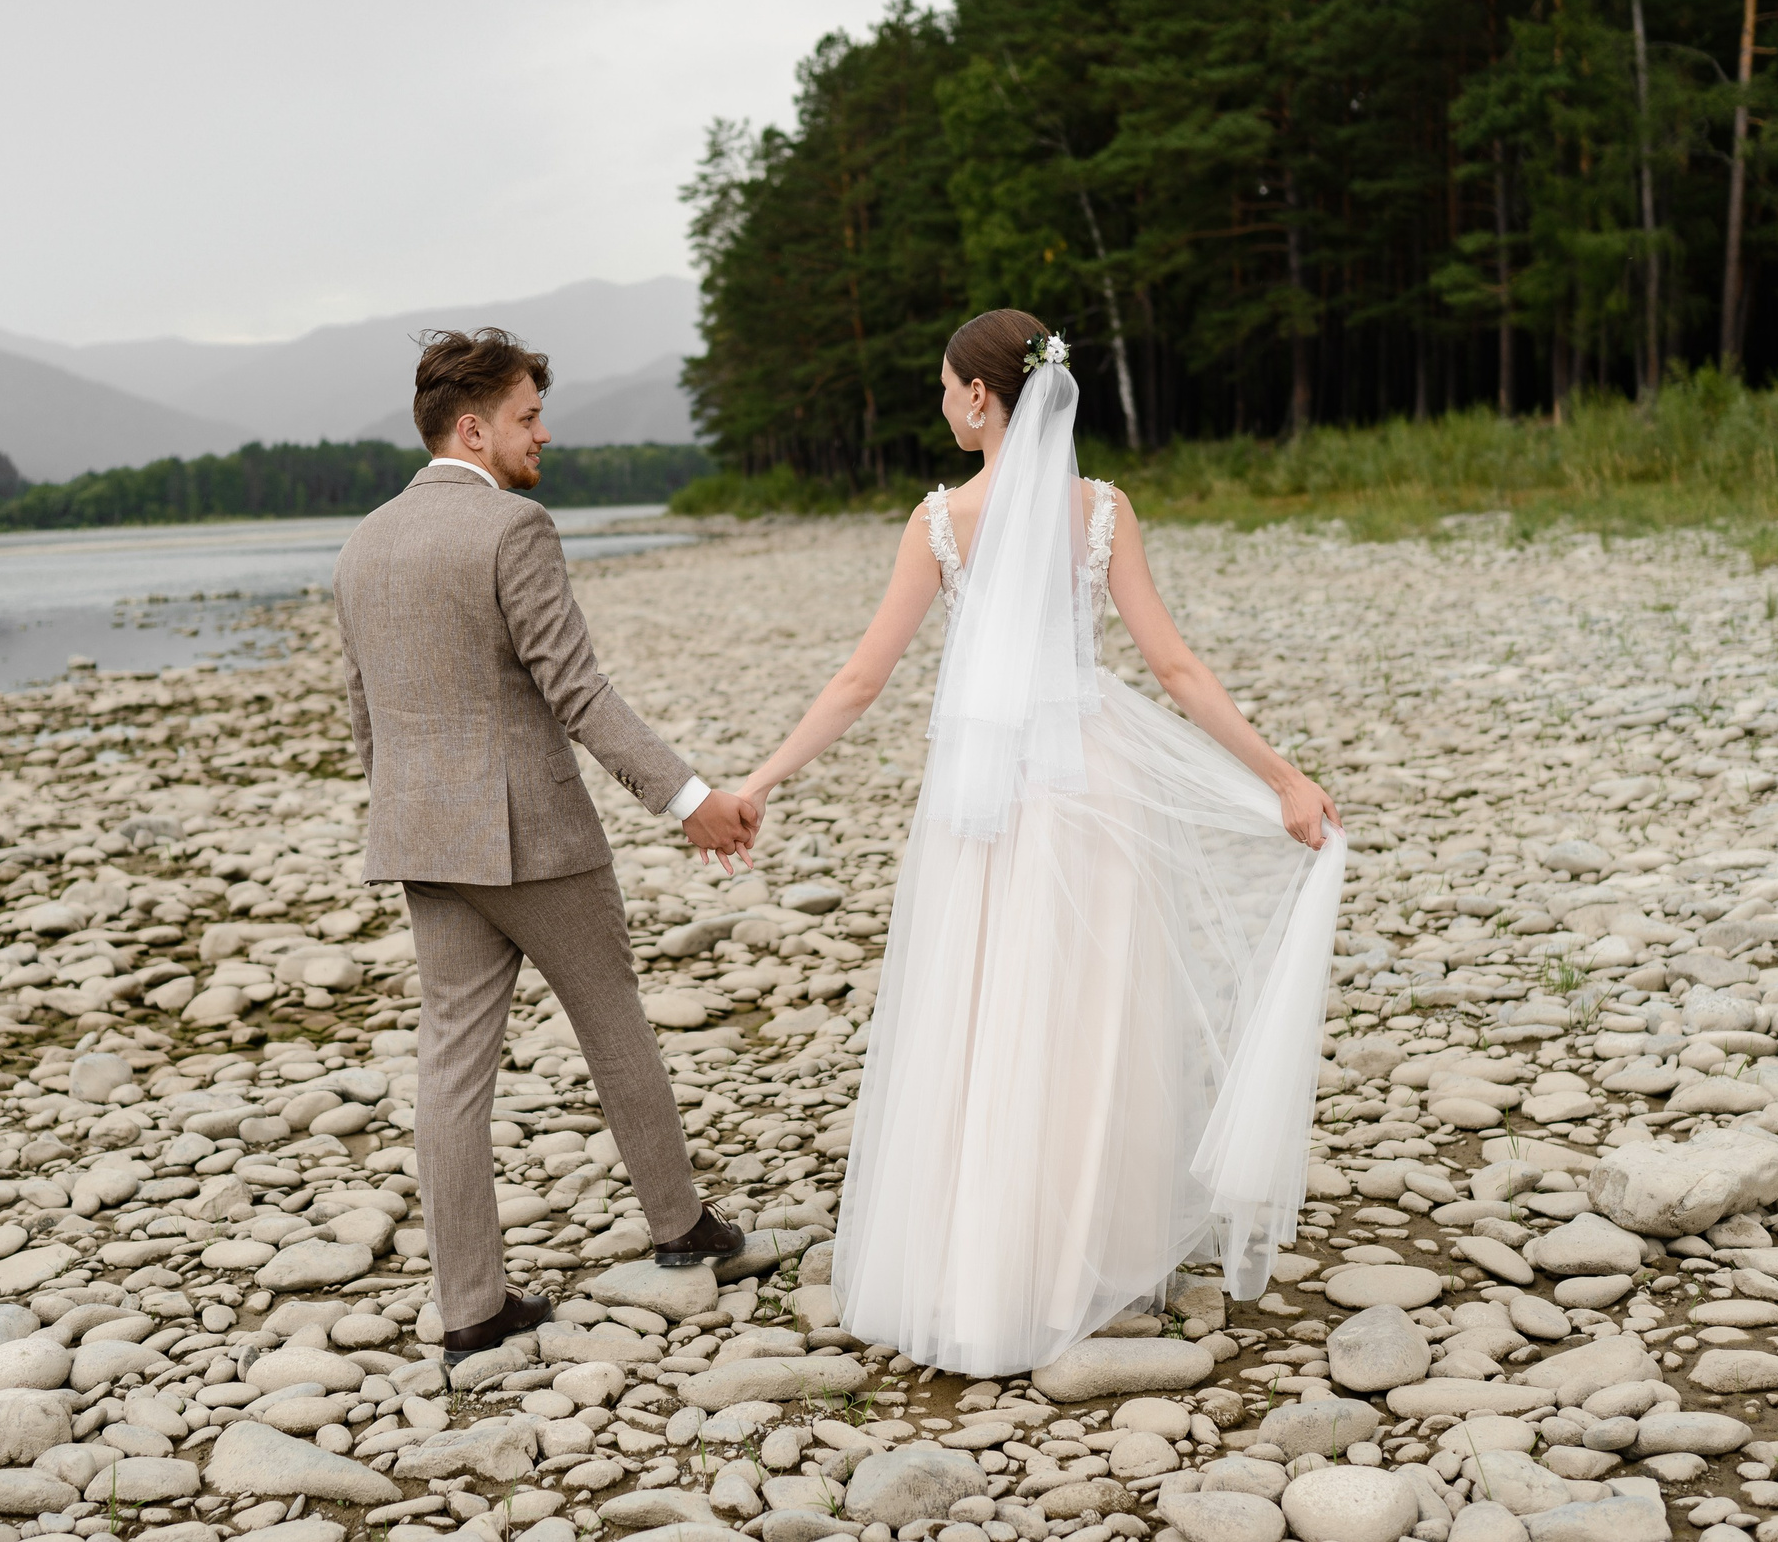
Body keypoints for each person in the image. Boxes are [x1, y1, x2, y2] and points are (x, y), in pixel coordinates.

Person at [734, 309, 1346, 1377]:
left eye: (942, 386)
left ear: (980, 396)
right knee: (1088, 1023)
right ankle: (1078, 1268)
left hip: (985, 801)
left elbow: (859, 680)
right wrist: (1282, 777)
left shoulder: (940, 521)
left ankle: (978, 1274)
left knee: (978, 1019)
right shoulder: (1102, 510)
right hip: (1089, 778)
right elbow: (1178, 669)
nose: (939, 403)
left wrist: (758, 779)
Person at [333, 327, 762, 1362]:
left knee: (450, 1070)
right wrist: (690, 796)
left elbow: (364, 716)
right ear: (472, 427)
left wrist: (408, 810)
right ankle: (677, 1225)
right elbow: (579, 692)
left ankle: (471, 1309)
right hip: (534, 838)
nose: (543, 432)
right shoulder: (512, 528)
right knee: (614, 1023)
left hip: (422, 838)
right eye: (528, 416)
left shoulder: (362, 543)